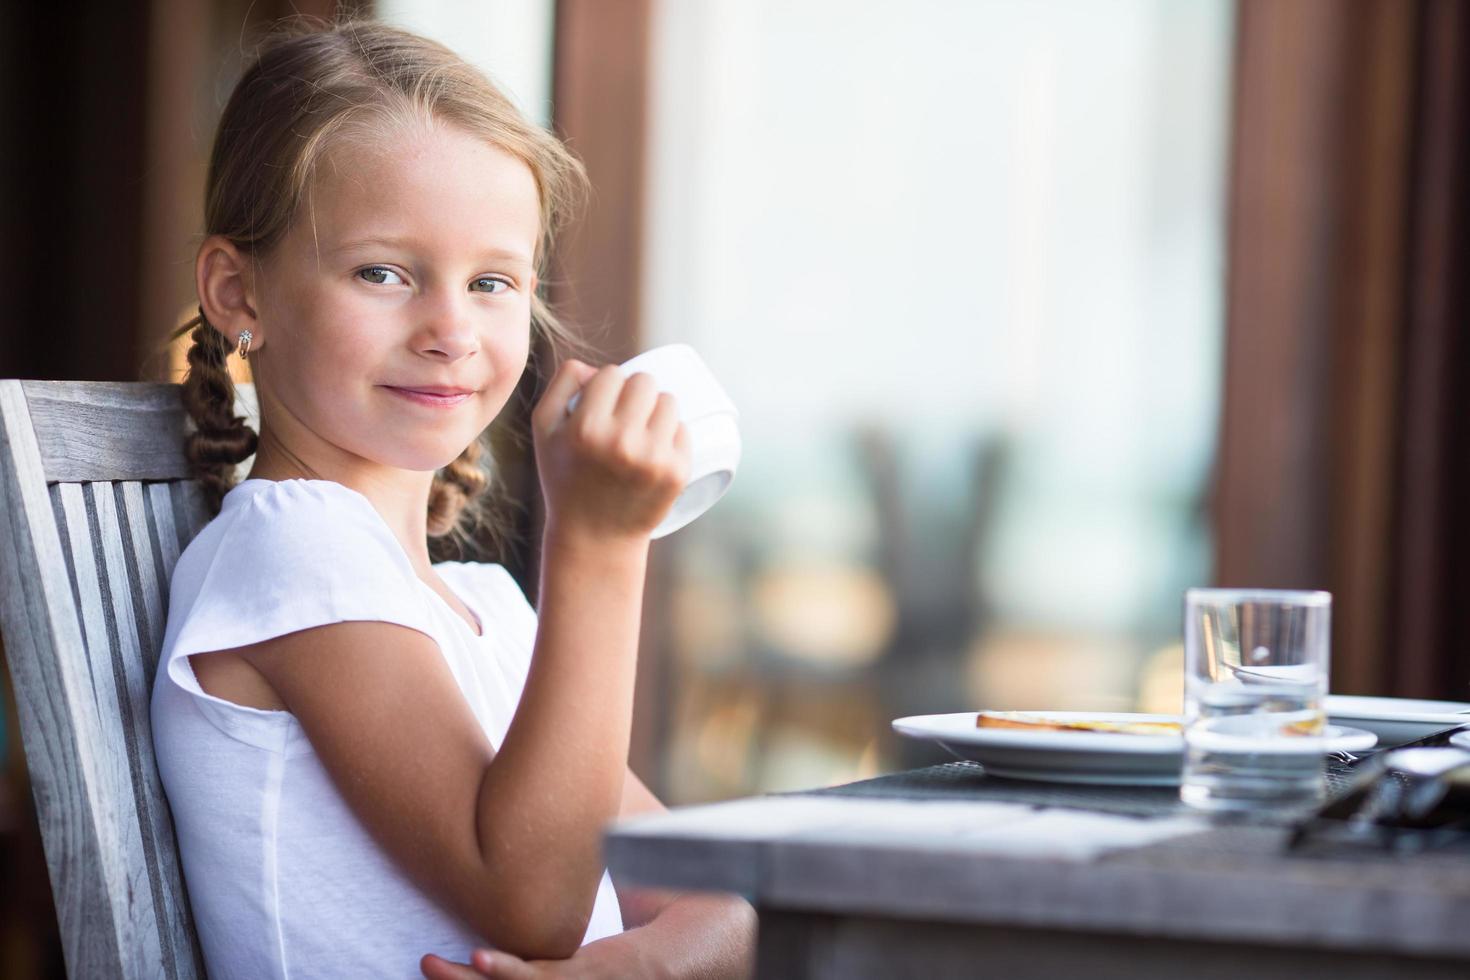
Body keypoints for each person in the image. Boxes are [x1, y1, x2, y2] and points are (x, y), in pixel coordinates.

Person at [149, 19, 754, 979]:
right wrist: (598, 546)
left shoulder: (486, 611)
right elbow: (537, 902)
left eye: (491, 282)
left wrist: (635, 968)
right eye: (382, 273)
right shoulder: (294, 556)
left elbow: (722, 895)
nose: (450, 329)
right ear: (237, 291)